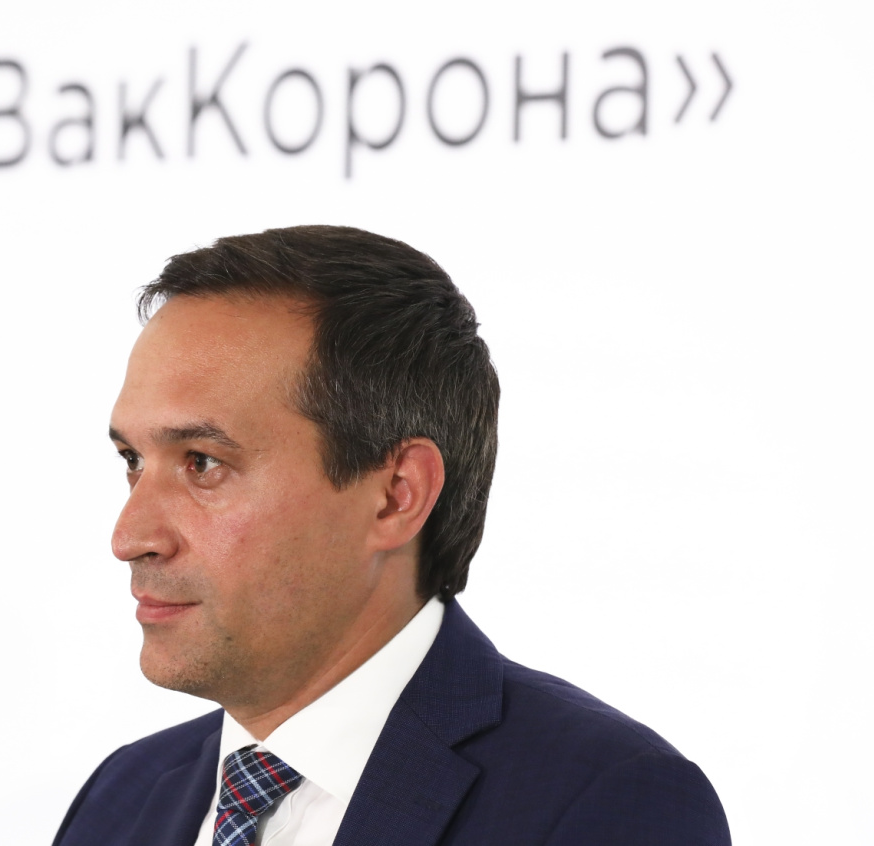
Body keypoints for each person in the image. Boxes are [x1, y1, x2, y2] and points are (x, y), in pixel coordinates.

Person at [52, 226, 730, 846]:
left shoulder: (607, 802)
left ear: (395, 495)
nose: (129, 537)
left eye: (203, 463)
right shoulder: (119, 802)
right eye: (132, 460)